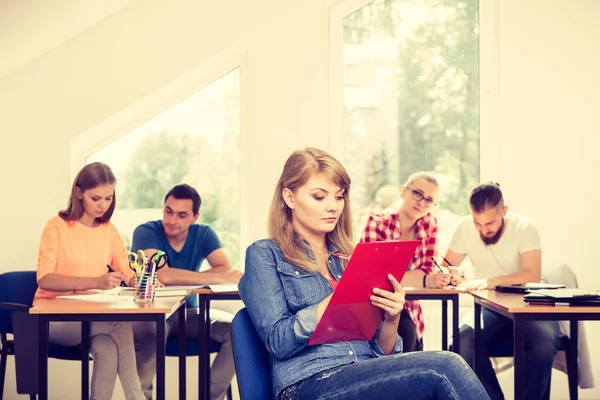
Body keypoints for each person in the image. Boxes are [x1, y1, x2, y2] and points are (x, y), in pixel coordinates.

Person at [239, 148, 489, 400]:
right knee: (445, 366)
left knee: (441, 374)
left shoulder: (349, 258)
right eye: (319, 197)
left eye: (339, 197)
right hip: (310, 382)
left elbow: (381, 352)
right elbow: (277, 342)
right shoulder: (264, 254)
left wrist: (392, 318)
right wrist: (327, 307)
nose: (333, 207)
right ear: (290, 197)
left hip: (362, 371)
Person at [34, 162, 145, 400]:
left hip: (90, 319)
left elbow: (126, 268)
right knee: (120, 325)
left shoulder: (108, 230)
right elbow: (45, 278)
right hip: (53, 319)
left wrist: (142, 280)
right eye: (96, 198)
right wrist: (95, 282)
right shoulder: (57, 226)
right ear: (79, 193)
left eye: (108, 198)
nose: (103, 205)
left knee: (107, 351)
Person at [442, 182, 560, 400]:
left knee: (543, 341)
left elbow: (531, 274)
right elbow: (445, 265)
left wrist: (489, 281)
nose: (483, 229)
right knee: (461, 341)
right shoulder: (465, 227)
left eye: (489, 223)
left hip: (530, 305)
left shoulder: (525, 227)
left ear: (504, 211)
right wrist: (451, 274)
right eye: (478, 223)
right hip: (490, 308)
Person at [131, 184, 241, 400]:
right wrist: (214, 277)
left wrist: (212, 276)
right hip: (155, 315)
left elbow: (226, 268)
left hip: (189, 314)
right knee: (150, 333)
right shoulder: (146, 232)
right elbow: (163, 275)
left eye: (182, 215)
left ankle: (209, 396)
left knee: (236, 330)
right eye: (168, 211)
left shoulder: (204, 233)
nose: (172, 220)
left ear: (195, 216)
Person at [360, 171, 450, 352]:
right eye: (417, 193)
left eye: (429, 200)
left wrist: (427, 278)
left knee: (410, 336)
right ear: (403, 192)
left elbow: (426, 269)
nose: (421, 202)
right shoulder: (377, 222)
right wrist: (425, 280)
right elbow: (372, 277)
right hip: (375, 306)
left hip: (410, 307)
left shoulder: (429, 224)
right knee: (404, 333)